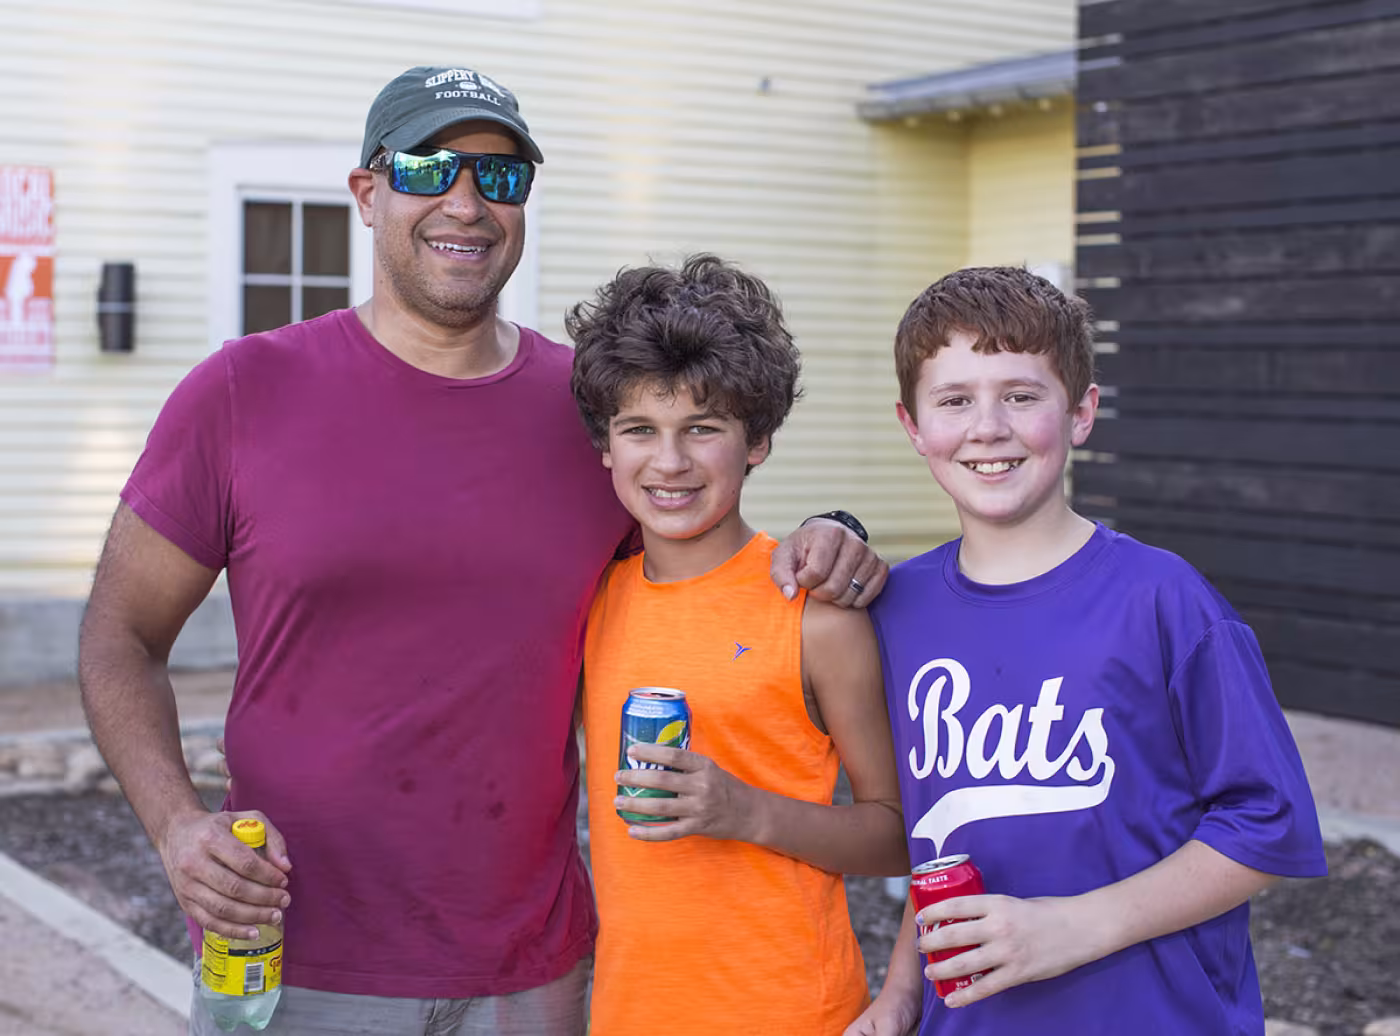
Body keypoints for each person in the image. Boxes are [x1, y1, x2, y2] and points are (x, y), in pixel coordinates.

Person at [77, 64, 884, 1036]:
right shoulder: (243, 392)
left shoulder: (589, 411)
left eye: (499, 178)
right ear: (368, 193)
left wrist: (834, 531)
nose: (465, 200)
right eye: (428, 167)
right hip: (297, 961)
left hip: (536, 975)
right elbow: (120, 632)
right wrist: (175, 824)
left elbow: (699, 538)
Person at [846, 266, 1327, 1036]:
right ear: (912, 426)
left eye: (1022, 395)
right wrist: (902, 996)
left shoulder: (1164, 600)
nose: (988, 426)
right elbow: (947, 837)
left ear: (1081, 412)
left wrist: (1076, 927)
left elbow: (1268, 827)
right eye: (956, 400)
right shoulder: (898, 610)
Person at [567, 254, 909, 1035]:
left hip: (793, 1009)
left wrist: (747, 812)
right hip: (629, 1012)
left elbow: (898, 835)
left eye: (703, 429)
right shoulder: (591, 605)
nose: (671, 461)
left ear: (756, 440)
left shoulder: (815, 613)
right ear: (605, 448)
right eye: (640, 430)